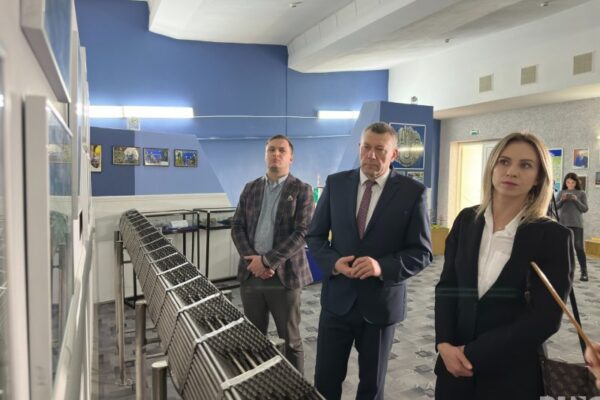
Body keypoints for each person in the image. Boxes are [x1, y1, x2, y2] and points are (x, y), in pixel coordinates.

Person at [434, 132, 574, 400]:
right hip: (453, 367)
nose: (512, 171)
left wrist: (472, 353)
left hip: (511, 372)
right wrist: (444, 343)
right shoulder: (466, 220)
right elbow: (448, 286)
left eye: (525, 165)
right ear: (492, 167)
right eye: (504, 161)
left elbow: (545, 318)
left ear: (538, 178)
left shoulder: (553, 236)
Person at [306, 122, 433, 400]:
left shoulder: (413, 192)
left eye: (380, 149)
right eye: (366, 147)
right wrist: (334, 263)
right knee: (325, 381)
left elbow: (422, 252)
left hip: (380, 304)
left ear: (394, 154)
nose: (371, 155)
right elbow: (315, 236)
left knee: (371, 388)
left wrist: (381, 267)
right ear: (359, 148)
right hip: (337, 302)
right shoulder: (336, 184)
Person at [231, 134, 314, 374]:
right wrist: (253, 261)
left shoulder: (302, 190)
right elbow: (237, 226)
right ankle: (259, 383)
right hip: (251, 275)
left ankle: (295, 389)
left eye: (281, 150)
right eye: (271, 150)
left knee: (290, 340)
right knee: (254, 338)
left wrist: (267, 261)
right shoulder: (251, 188)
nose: (276, 154)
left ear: (291, 158)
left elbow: (302, 232)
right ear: (265, 155)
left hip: (284, 277)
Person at [556, 172, 589, 281]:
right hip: (563, 223)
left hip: (576, 223)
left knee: (578, 247)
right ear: (565, 182)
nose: (570, 184)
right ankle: (563, 271)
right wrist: (562, 200)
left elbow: (585, 209)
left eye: (572, 182)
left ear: (576, 183)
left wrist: (576, 200)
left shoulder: (581, 193)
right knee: (562, 248)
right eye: (568, 182)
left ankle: (584, 271)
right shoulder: (561, 192)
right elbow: (555, 207)